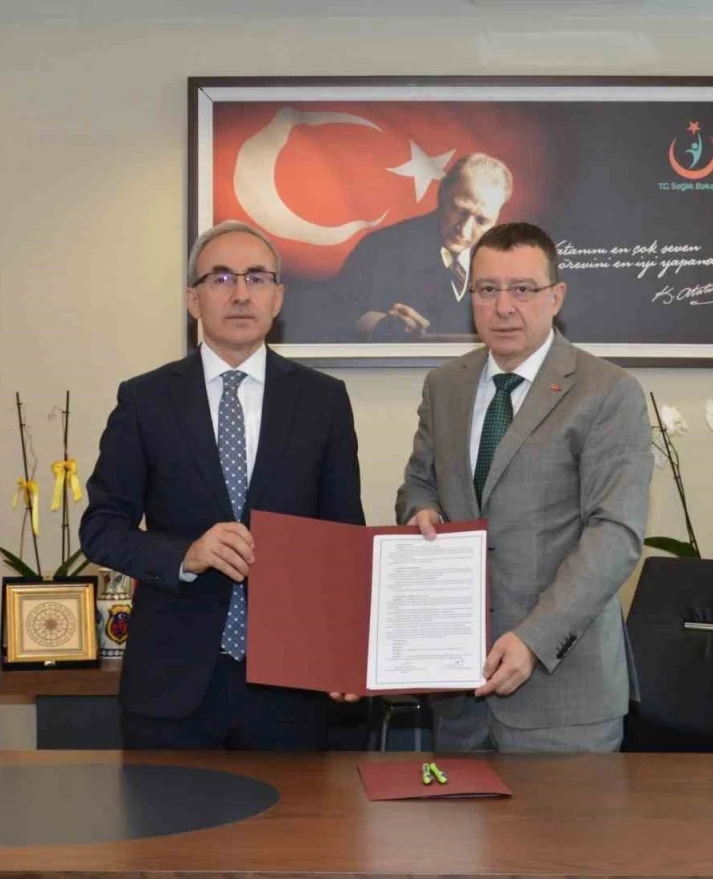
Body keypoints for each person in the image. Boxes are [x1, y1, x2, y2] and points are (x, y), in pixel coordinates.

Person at [80, 220, 365, 750]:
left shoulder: (323, 401)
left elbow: (344, 540)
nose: (240, 294)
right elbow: (101, 528)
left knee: (294, 811)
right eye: (221, 278)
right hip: (171, 689)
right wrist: (185, 555)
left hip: (291, 686)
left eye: (257, 278)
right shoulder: (145, 400)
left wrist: (345, 653)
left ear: (278, 297)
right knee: (168, 811)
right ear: (193, 299)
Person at [394, 221, 653, 752]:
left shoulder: (608, 392)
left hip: (564, 700)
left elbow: (615, 535)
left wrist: (534, 640)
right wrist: (421, 511)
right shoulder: (444, 386)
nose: (503, 307)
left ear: (556, 297)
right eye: (487, 289)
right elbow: (419, 482)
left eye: (523, 289)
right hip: (459, 697)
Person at [337, 152, 513, 341]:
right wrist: (382, 325)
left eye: (482, 221)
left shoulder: (505, 263)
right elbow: (336, 314)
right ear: (441, 194)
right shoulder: (379, 249)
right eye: (460, 210)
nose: (464, 231)